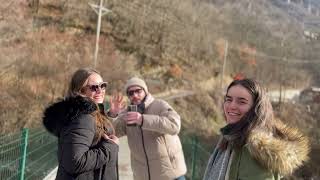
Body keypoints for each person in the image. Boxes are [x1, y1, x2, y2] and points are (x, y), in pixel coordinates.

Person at [203, 78, 310, 180]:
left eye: (242, 102)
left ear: (256, 109)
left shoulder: (254, 150)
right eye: (228, 99)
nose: (232, 106)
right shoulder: (230, 138)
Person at [42, 68, 119, 180]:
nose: (100, 90)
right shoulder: (82, 118)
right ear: (79, 91)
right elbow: (74, 162)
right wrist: (110, 147)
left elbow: (96, 134)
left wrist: (111, 115)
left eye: (102, 85)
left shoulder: (91, 113)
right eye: (94, 87)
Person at [109, 76, 187, 180]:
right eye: (131, 93)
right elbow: (111, 133)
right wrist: (113, 115)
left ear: (145, 91)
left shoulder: (159, 105)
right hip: (142, 176)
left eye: (138, 91)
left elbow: (174, 125)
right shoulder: (128, 113)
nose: (135, 95)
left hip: (170, 175)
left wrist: (143, 120)